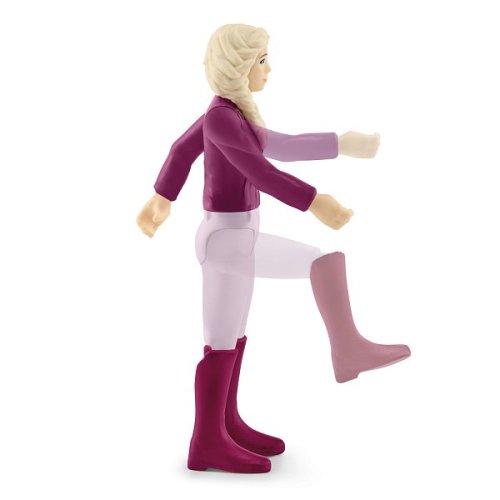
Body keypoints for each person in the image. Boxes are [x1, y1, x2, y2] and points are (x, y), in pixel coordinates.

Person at [136, 23, 411, 474]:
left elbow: (277, 146)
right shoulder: (223, 117)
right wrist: (315, 201)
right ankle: (347, 351)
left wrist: (343, 144)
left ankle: (221, 429)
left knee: (226, 339)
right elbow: (260, 171)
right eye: (261, 60)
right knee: (321, 262)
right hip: (227, 240)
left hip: (233, 236)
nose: (269, 68)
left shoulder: (231, 113)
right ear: (238, 66)